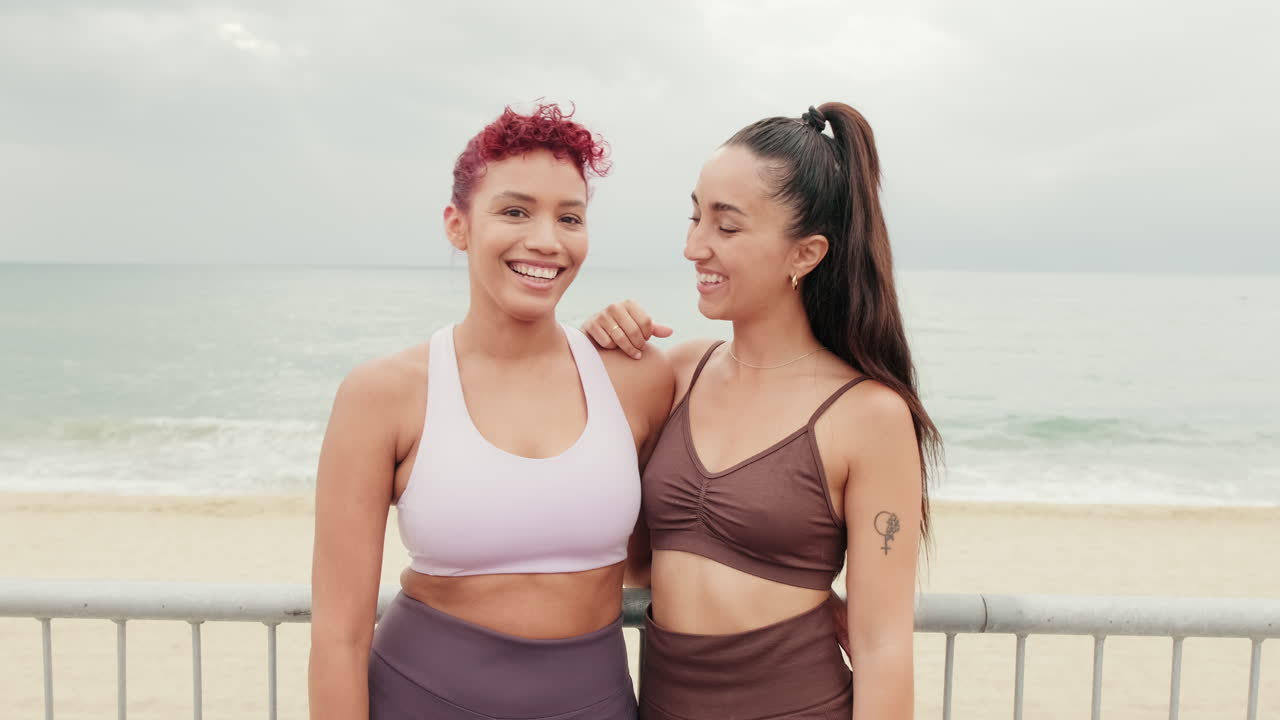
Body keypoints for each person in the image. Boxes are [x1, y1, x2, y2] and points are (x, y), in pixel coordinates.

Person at [309, 103, 673, 720]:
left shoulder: (636, 379)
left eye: (570, 218)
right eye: (514, 211)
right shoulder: (383, 394)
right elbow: (338, 638)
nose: (546, 240)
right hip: (419, 700)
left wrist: (803, 598)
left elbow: (676, 552)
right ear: (458, 225)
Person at [585, 102, 940, 720]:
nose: (694, 246)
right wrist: (589, 352)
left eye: (727, 227)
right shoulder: (674, 375)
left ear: (804, 255)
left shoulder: (870, 416)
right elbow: (628, 559)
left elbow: (882, 647)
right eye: (695, 217)